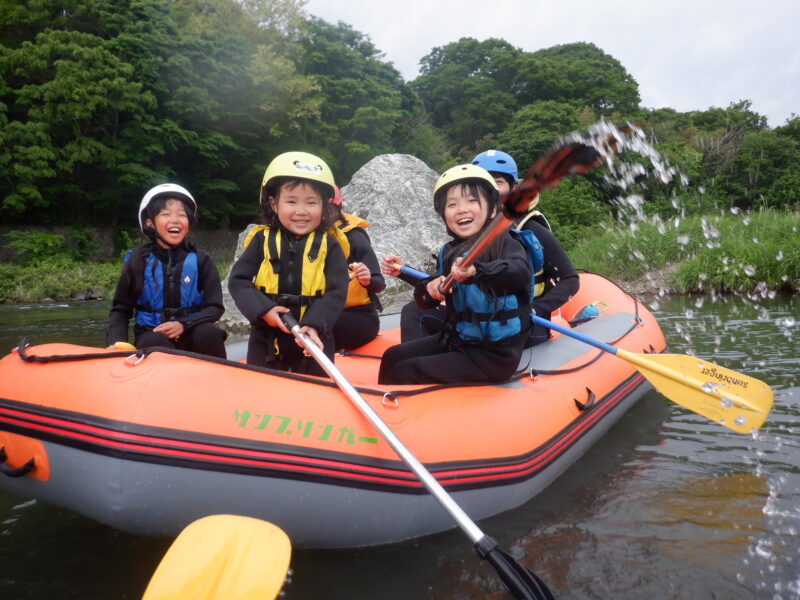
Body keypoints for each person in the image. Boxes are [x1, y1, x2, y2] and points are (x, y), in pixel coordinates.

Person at [378, 164, 533, 385]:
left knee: (406, 370)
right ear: (444, 216)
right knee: (393, 356)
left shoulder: (506, 242)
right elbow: (425, 302)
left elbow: (519, 273)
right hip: (458, 339)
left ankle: (399, 414)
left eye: (472, 201)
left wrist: (477, 271)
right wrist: (430, 289)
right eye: (452, 204)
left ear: (491, 210)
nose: (462, 209)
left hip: (494, 355)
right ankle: (382, 409)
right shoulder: (449, 252)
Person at [227, 151, 348, 375]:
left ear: (324, 206)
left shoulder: (329, 245)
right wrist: (264, 310)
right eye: (291, 202)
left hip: (313, 336)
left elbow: (336, 291)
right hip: (267, 337)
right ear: (274, 204)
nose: (301, 211)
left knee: (315, 392)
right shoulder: (261, 240)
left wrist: (315, 323)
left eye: (311, 202)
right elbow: (239, 281)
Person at [471, 150, 580, 346]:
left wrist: (536, 309)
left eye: (498, 182)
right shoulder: (470, 231)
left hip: (527, 325)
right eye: (483, 183)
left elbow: (570, 280)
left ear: (514, 188)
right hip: (485, 321)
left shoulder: (531, 228)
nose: (491, 189)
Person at [106, 183, 227, 358]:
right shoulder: (138, 261)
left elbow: (215, 308)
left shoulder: (202, 260)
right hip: (151, 333)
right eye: (166, 214)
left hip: (191, 329)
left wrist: (184, 324)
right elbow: (121, 310)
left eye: (182, 215)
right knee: (156, 343)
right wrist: (116, 343)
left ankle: (220, 381)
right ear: (150, 223)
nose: (175, 220)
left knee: (209, 334)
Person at [329, 186, 386, 350]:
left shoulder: (353, 235)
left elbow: (379, 284)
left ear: (336, 206)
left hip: (359, 316)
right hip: (322, 312)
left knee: (319, 325)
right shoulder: (308, 237)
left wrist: (367, 279)